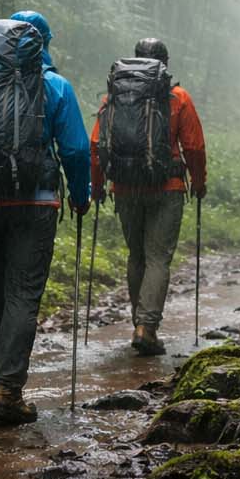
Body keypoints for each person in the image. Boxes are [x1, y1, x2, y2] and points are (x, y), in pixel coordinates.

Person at [0, 9, 91, 425]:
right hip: (34, 202)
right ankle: (6, 389)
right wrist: (82, 196)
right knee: (22, 294)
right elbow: (77, 150)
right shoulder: (54, 86)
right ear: (41, 43)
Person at [90, 37, 207, 355]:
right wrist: (199, 182)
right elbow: (194, 146)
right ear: (165, 63)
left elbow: (96, 145)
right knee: (157, 258)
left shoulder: (113, 96)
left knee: (136, 255)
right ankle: (147, 327)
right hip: (166, 188)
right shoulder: (178, 97)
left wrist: (97, 186)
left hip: (125, 187)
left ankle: (138, 322)